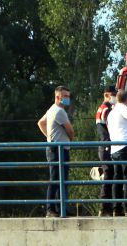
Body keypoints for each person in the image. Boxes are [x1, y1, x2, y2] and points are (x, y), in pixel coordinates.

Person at [37, 85, 75, 218]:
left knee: (59, 179)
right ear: (57, 97)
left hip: (54, 147)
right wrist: (70, 139)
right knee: (57, 179)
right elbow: (70, 130)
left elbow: (41, 123)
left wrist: (49, 136)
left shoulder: (51, 109)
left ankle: (60, 208)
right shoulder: (60, 111)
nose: (67, 99)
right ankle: (51, 209)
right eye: (65, 96)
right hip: (59, 149)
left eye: (68, 96)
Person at [94, 86, 116, 217]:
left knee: (110, 175)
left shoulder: (102, 108)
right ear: (106, 95)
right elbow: (111, 125)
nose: (114, 96)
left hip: (104, 146)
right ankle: (104, 208)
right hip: (106, 146)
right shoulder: (106, 109)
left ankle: (106, 207)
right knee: (109, 175)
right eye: (112, 94)